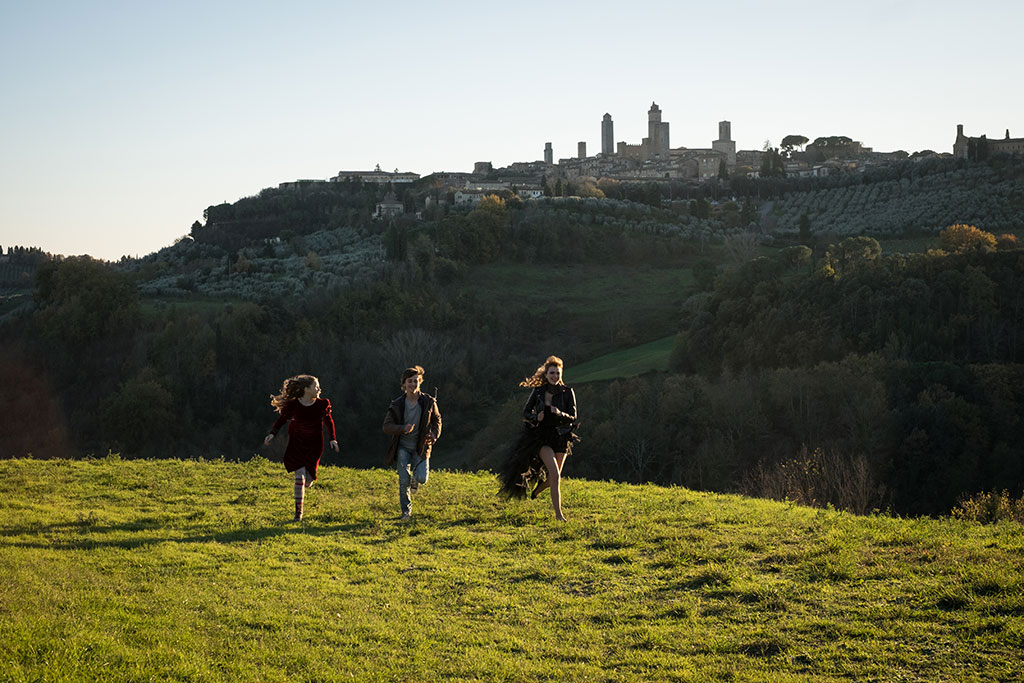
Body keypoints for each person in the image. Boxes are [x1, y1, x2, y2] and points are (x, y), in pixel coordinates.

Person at [498, 355, 579, 521]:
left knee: (552, 478)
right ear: (546, 374)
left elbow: (573, 416)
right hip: (542, 437)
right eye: (552, 373)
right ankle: (559, 515)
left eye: (557, 373)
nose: (555, 376)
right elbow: (526, 412)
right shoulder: (539, 392)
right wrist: (536, 417)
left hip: (561, 436)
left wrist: (559, 413)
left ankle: (537, 490)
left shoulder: (568, 392)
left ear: (561, 374)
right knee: (555, 475)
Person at [264, 374, 339, 522]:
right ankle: (298, 514)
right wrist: (272, 434)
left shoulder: (322, 404)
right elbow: (282, 420)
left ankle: (306, 484)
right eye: (316, 386)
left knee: (308, 480)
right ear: (306, 389)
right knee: (299, 476)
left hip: (314, 445)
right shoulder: (293, 405)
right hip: (296, 444)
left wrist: (333, 439)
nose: (319, 389)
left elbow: (329, 422)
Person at [382, 365, 442, 520]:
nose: (413, 384)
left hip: (421, 447)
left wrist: (434, 435)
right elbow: (386, 426)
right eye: (410, 381)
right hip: (402, 447)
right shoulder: (397, 404)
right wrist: (403, 429)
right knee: (403, 482)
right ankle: (406, 512)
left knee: (422, 478)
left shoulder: (428, 401)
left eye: (416, 381)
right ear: (404, 384)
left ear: (420, 382)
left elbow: (437, 420)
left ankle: (416, 479)